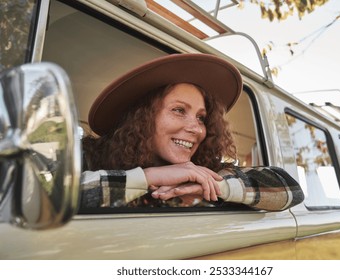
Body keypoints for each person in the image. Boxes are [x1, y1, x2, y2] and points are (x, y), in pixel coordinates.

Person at [81, 53, 304, 210]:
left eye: (201, 117)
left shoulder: (203, 170)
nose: (195, 128)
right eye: (178, 110)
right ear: (141, 117)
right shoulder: (87, 157)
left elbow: (289, 190)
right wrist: (148, 177)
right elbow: (51, 196)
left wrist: (214, 186)